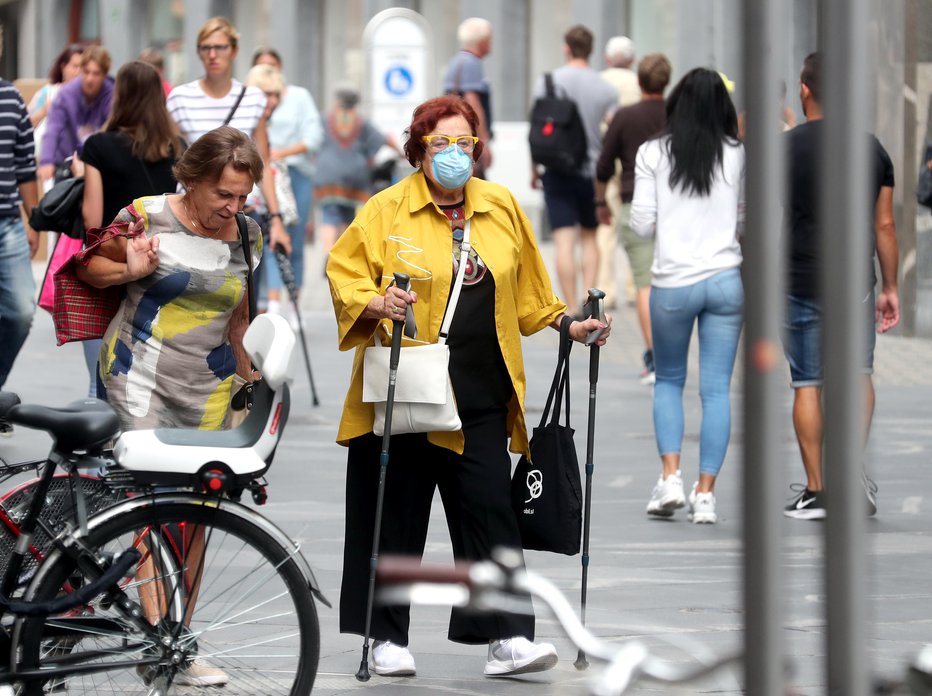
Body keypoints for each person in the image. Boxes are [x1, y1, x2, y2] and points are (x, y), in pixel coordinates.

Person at [327, 95, 610, 677]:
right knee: (394, 516)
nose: (455, 154)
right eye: (441, 143)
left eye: (465, 143)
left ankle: (507, 639)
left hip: (481, 392)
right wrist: (376, 301)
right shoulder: (386, 210)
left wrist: (569, 325)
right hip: (407, 390)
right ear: (418, 148)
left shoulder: (501, 205)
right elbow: (344, 275)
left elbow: (532, 292)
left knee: (490, 514)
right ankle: (386, 639)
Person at [78, 125, 262, 440]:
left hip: (208, 395)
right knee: (146, 482)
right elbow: (87, 266)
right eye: (223, 194)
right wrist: (129, 273)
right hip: (137, 381)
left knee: (199, 489)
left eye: (243, 196)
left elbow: (239, 322)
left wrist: (249, 384)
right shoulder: (147, 216)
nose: (234, 207)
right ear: (192, 180)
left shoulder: (248, 234)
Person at [781, 53, 899, 520]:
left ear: (804, 90)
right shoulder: (870, 148)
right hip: (853, 279)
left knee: (807, 381)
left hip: (799, 276)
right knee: (857, 375)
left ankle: (817, 491)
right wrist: (890, 284)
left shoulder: (784, 149)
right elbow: (884, 225)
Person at [630, 68, 746, 525]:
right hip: (724, 280)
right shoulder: (739, 155)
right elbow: (748, 217)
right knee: (716, 390)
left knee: (670, 381)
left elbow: (640, 222)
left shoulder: (653, 153)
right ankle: (707, 495)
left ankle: (670, 479)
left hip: (672, 283)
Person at [75, 61, 182, 399]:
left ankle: (104, 450)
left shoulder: (98, 146)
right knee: (151, 379)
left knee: (102, 380)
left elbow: (93, 220)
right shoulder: (176, 147)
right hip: (160, 266)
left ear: (119, 96)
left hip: (111, 270)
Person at [166, 16, 289, 256]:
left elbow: (262, 161)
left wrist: (276, 218)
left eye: (220, 47)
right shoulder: (180, 98)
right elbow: (172, 159)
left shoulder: (253, 99)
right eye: (206, 47)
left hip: (241, 210)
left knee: (242, 287)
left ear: (234, 50)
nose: (213, 54)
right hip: (192, 211)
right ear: (199, 52)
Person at [596, 53, 672, 385]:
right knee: (670, 280)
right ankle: (673, 351)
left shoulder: (625, 116)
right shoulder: (677, 114)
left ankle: (655, 357)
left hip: (633, 202)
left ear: (639, 82)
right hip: (675, 206)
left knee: (644, 283)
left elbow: (603, 164)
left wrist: (600, 201)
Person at [531, 25, 617, 315]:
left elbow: (537, 130)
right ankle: (588, 297)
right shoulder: (605, 88)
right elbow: (612, 128)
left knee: (563, 240)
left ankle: (569, 307)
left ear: (566, 48)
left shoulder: (548, 82)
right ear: (591, 50)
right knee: (590, 238)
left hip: (556, 169)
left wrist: (534, 168)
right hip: (592, 173)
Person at [251, 47, 323, 323]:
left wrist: (281, 154)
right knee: (267, 235)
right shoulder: (250, 103)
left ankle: (292, 302)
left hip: (295, 174)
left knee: (292, 239)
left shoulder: (299, 97)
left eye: (272, 67)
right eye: (261, 68)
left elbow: (314, 137)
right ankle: (270, 302)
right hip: (262, 172)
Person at [314, 84, 398, 260]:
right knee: (347, 214)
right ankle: (341, 255)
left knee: (329, 214)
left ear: (337, 99)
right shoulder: (362, 121)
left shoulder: (323, 118)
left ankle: (328, 252)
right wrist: (402, 152)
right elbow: (383, 139)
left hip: (327, 171)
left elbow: (312, 140)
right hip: (355, 174)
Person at [0, 71, 39, 435]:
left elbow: (26, 165)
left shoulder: (11, 99)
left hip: (7, 223)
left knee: (22, 310)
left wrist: (35, 221)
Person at [595, 35, 641, 311]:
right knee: (634, 224)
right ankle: (635, 288)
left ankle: (606, 291)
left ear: (607, 58)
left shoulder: (599, 81)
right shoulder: (639, 83)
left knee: (606, 226)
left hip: (605, 157)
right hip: (633, 163)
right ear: (632, 60)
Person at [38, 45, 114, 185]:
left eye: (96, 74)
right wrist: (47, 160)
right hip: (68, 162)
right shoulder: (66, 94)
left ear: (104, 75)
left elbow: (113, 130)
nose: (90, 79)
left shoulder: (112, 95)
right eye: (86, 72)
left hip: (101, 165)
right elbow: (53, 128)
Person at [443, 17, 493, 177]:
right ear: (483, 40)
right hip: (468, 140)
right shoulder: (472, 63)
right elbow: (474, 104)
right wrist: (482, 142)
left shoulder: (456, 61)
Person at [27, 43, 83, 163]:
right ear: (63, 67)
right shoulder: (48, 92)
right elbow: (24, 123)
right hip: (47, 160)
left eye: (82, 67)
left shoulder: (90, 97)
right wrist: (44, 112)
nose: (79, 71)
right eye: (75, 66)